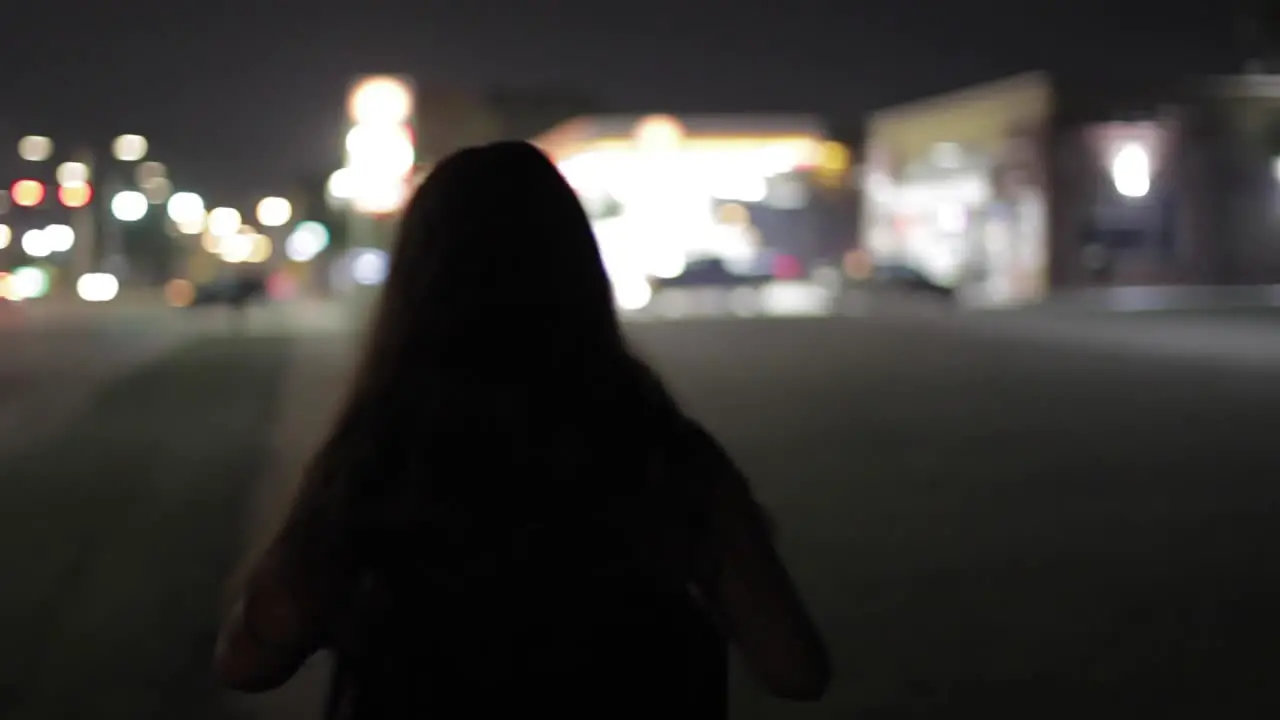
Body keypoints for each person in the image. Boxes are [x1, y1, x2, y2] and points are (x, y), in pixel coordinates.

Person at [214, 141, 831, 717]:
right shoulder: (664, 456)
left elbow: (248, 661)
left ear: (413, 287)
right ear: (579, 273)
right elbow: (796, 669)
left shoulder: (380, 465)